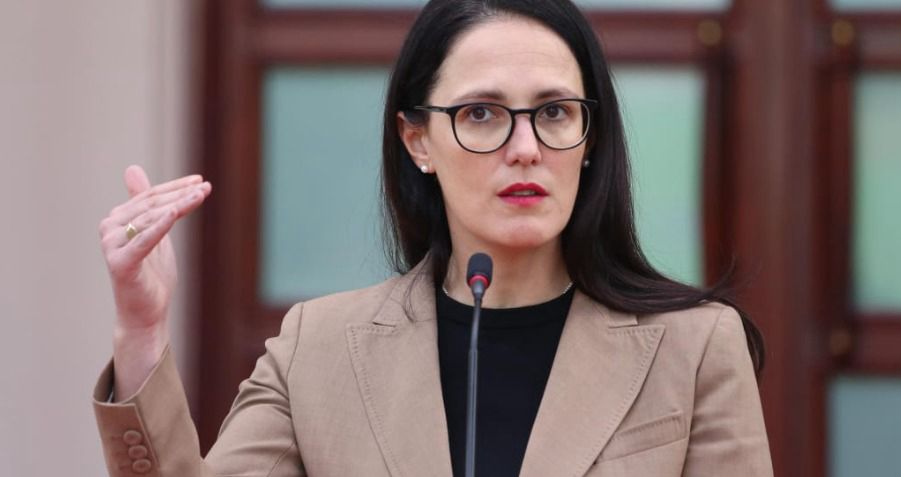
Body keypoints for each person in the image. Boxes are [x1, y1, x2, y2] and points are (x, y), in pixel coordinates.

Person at [93, 1, 772, 476]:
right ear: (417, 140)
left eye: (554, 112)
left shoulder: (694, 347)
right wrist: (143, 330)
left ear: (589, 138)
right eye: (481, 114)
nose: (526, 147)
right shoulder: (319, 350)